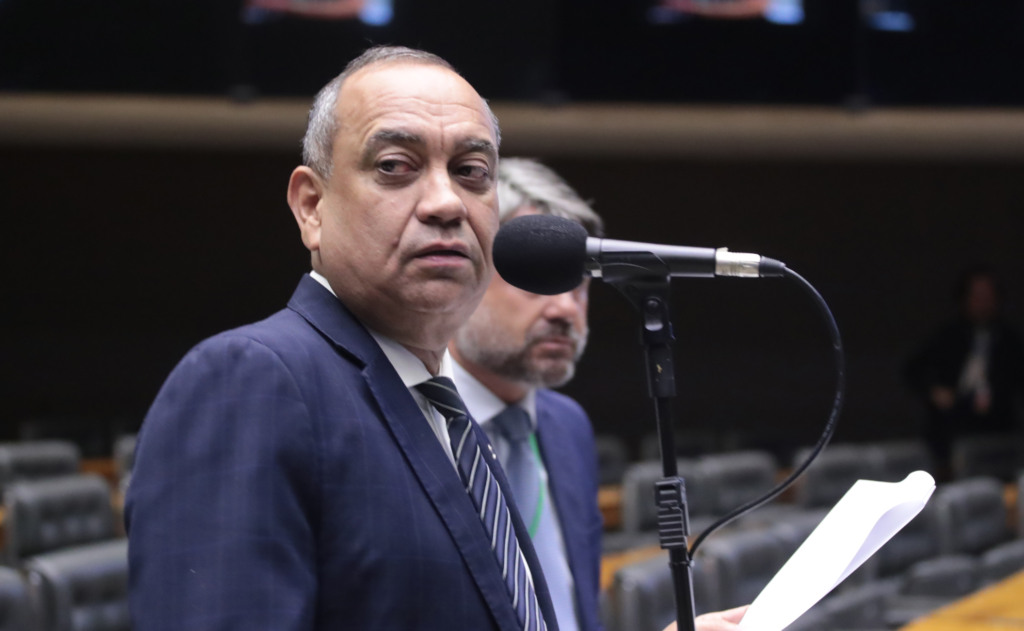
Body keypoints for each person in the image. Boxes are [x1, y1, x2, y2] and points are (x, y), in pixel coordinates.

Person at [126, 45, 557, 631]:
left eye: (471, 172)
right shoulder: (250, 380)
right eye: (395, 166)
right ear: (312, 207)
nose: (446, 203)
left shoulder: (444, 409)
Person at [450, 158, 747, 631]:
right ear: (461, 276)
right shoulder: (407, 421)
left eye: (578, 284)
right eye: (540, 280)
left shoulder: (567, 427)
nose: (565, 308)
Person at [905, 264, 1024, 479]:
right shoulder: (948, 336)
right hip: (953, 427)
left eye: (988, 296)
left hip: (998, 430)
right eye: (977, 296)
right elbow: (912, 369)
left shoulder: (1010, 340)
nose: (983, 302)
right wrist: (935, 391)